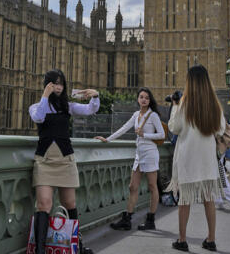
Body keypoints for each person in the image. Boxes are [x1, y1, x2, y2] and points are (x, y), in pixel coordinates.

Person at [29, 69, 100, 254]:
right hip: (44, 160)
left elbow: (90, 110)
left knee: (69, 204)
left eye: (61, 83)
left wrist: (95, 96)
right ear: (47, 84)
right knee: (44, 204)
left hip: (65, 159)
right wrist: (45, 95)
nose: (58, 87)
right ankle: (40, 250)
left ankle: (77, 246)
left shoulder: (67, 106)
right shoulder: (36, 106)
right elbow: (39, 117)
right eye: (54, 83)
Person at [167, 65, 227, 252]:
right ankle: (211, 239)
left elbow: (174, 128)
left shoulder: (184, 104)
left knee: (185, 200)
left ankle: (182, 239)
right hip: (206, 158)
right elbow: (220, 129)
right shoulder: (214, 104)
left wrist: (175, 107)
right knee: (209, 198)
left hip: (187, 157)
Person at [99, 87, 166, 231]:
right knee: (132, 186)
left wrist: (144, 135)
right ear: (138, 99)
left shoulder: (153, 115)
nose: (143, 99)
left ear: (150, 101)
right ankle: (127, 219)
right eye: (141, 97)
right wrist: (107, 139)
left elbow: (161, 135)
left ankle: (151, 219)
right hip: (139, 154)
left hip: (150, 153)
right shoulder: (136, 115)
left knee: (152, 186)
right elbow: (124, 128)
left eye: (147, 98)